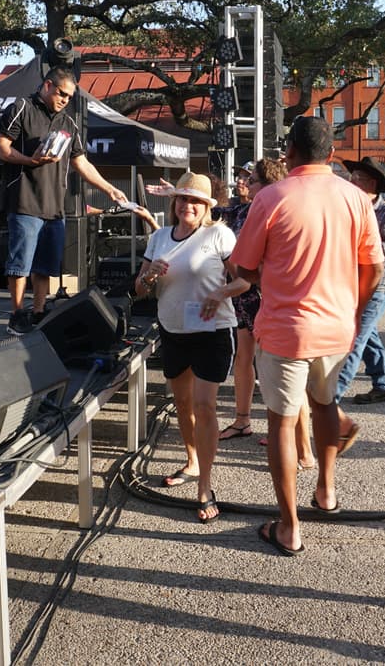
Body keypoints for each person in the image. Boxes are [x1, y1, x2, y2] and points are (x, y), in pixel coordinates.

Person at [231, 116, 384, 555]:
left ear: (290, 152)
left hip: (285, 328)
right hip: (336, 327)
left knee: (281, 422)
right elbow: (373, 267)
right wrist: (351, 307)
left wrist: (272, 278)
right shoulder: (356, 198)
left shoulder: (272, 197)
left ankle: (289, 525)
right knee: (325, 406)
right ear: (332, 155)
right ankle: (326, 491)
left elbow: (243, 266)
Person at [134, 172, 250, 522]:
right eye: (183, 199)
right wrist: (148, 275)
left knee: (205, 405)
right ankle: (191, 459)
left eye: (196, 201)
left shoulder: (219, 234)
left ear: (206, 208)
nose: (188, 206)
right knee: (182, 404)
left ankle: (205, 484)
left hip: (212, 331)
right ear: (174, 203)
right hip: (173, 330)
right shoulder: (157, 238)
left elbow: (246, 279)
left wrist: (220, 292)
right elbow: (139, 289)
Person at [0, 67, 127, 335]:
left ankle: (39, 311)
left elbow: (81, 162)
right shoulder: (22, 107)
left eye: (69, 96)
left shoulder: (69, 122)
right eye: (62, 94)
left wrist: (109, 188)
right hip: (25, 200)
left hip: (55, 206)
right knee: (20, 264)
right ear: (47, 85)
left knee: (46, 265)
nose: (65, 100)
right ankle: (17, 314)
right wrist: (30, 160)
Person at [216, 158, 316, 469]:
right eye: (243, 178)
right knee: (245, 358)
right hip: (247, 297)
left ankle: (302, 450)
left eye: (250, 179)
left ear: (269, 184)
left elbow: (256, 263)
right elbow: (213, 214)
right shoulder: (243, 209)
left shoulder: (279, 209)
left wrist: (237, 278)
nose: (242, 184)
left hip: (269, 298)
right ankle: (244, 420)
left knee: (285, 375)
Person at [337, 156, 385, 405]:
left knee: (355, 338)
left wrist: (373, 250)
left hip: (377, 286)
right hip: (351, 283)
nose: (351, 181)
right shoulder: (349, 209)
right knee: (368, 336)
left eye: (357, 177)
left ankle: (330, 397)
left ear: (371, 183)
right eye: (352, 176)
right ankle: (383, 384)